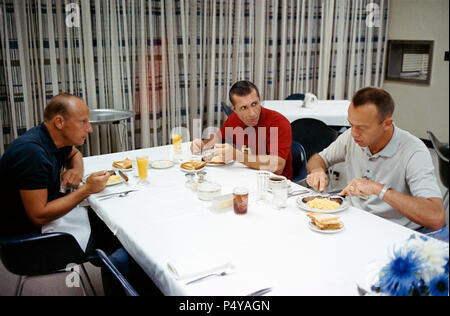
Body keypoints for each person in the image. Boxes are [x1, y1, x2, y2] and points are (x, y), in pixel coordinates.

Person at [306, 87, 445, 231]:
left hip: (395, 231)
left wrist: (378, 189)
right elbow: (318, 159)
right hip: (356, 221)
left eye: (362, 128)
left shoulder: (414, 151)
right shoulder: (351, 137)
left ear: (386, 124)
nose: (353, 133)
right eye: (351, 124)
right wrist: (317, 170)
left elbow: (435, 217)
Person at [191, 80, 293, 179]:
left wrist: (238, 156)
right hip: (248, 175)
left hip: (275, 183)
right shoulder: (234, 119)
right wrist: (202, 145)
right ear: (234, 109)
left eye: (254, 104)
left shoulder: (278, 122)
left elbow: (277, 166)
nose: (252, 113)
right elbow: (217, 138)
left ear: (259, 99)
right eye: (244, 108)